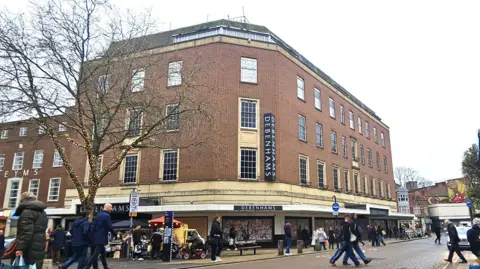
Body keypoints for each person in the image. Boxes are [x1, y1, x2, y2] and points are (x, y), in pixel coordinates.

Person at [14, 192, 48, 269]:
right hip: (39, 246)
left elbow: (26, 232)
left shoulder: (27, 212)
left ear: (23, 200)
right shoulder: (42, 212)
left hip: (29, 249)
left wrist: (20, 248)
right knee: (35, 266)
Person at [85, 203, 117, 269]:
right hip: (102, 237)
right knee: (96, 254)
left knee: (103, 253)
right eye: (111, 207)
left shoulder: (98, 215)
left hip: (96, 236)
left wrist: (93, 235)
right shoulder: (107, 216)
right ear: (107, 207)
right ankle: (87, 267)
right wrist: (115, 234)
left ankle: (105, 267)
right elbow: (110, 227)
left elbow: (94, 226)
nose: (112, 209)